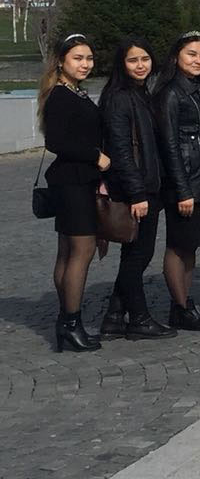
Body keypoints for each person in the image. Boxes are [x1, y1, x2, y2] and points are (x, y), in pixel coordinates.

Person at [98, 38, 174, 341]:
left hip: (149, 185)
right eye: (133, 60)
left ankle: (114, 317)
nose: (141, 65)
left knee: (137, 253)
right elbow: (121, 151)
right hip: (137, 189)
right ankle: (139, 318)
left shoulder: (141, 93)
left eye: (145, 59)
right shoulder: (119, 98)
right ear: (122, 63)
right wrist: (137, 194)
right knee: (138, 255)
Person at [41, 34, 110, 352]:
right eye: (78, 58)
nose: (85, 64)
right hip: (73, 183)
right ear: (61, 62)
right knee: (80, 252)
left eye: (89, 58)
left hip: (77, 181)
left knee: (68, 253)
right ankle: (71, 323)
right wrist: (96, 156)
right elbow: (55, 142)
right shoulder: (60, 95)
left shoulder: (74, 92)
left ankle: (65, 322)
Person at [154, 31, 200, 331]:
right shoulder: (171, 93)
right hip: (185, 182)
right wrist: (182, 190)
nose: (198, 60)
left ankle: (181, 303)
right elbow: (170, 145)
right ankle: (181, 306)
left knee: (191, 245)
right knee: (178, 245)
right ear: (176, 57)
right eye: (191, 54)